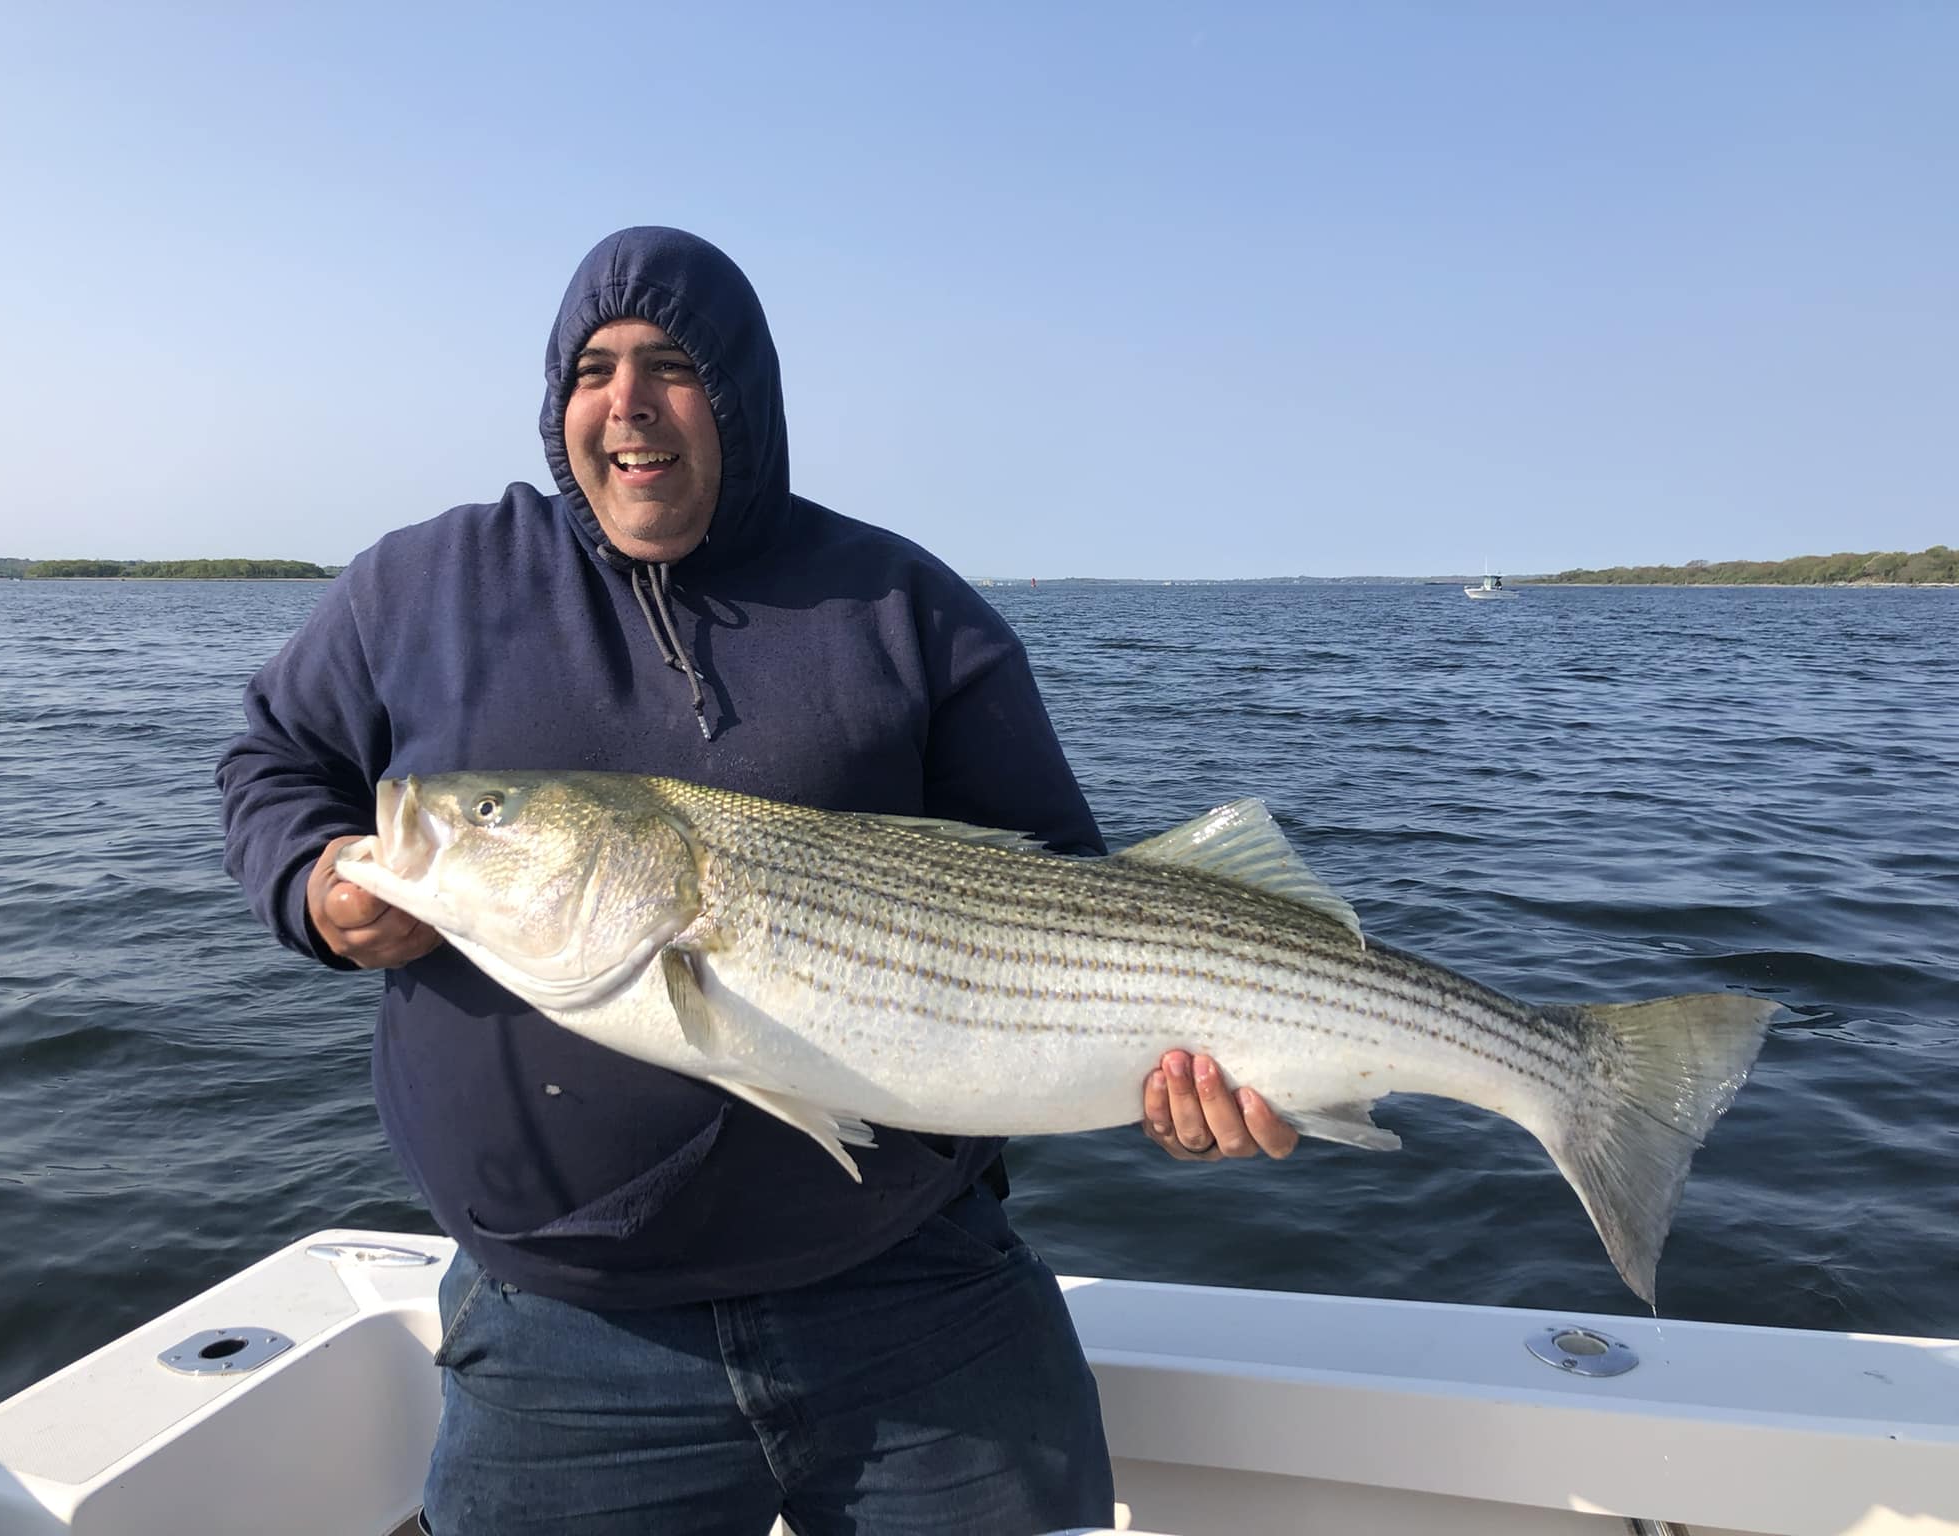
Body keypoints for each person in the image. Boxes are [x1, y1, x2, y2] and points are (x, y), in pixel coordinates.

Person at [217, 226, 1296, 1536]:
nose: (628, 404)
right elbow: (276, 762)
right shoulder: (425, 584)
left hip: (919, 1302)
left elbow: (1070, 905)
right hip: (563, 1337)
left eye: (669, 364)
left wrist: (1190, 1081)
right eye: (593, 369)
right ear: (556, 401)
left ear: (737, 392)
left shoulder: (906, 605)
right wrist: (314, 878)